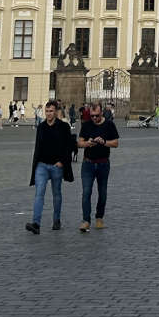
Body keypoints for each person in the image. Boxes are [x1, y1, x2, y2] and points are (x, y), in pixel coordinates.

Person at [26, 100, 75, 234]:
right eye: (47, 111)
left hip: (56, 166)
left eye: (51, 111)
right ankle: (36, 223)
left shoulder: (63, 127)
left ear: (56, 112)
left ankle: (56, 220)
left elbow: (68, 147)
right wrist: (35, 165)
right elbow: (37, 147)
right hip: (42, 165)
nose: (48, 114)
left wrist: (62, 162)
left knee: (56, 194)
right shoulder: (41, 127)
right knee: (39, 193)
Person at [78, 102, 119, 233]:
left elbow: (116, 143)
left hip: (103, 163)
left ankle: (99, 217)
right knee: (86, 192)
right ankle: (86, 220)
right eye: (92, 116)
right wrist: (87, 143)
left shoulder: (109, 124)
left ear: (101, 113)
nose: (94, 118)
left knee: (102, 193)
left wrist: (104, 142)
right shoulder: (86, 124)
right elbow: (79, 142)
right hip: (88, 163)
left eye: (96, 115)